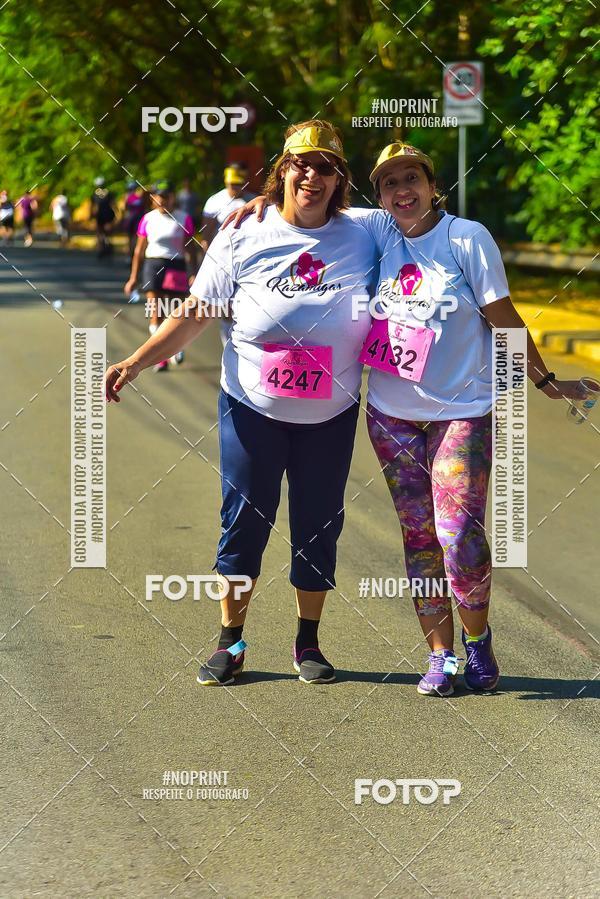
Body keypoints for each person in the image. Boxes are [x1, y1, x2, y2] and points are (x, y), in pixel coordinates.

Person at [225, 141, 588, 698]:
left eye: (411, 179)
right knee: (419, 537)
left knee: (458, 533)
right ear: (379, 195)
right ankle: (439, 656)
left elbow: (504, 318)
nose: (402, 191)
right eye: (390, 183)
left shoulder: (467, 238)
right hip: (391, 415)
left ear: (432, 182)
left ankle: (479, 640)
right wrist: (257, 203)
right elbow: (309, 208)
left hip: (461, 412)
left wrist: (543, 381)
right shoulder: (378, 233)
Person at [105, 121, 378, 686]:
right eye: (301, 164)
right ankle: (231, 643)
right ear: (282, 171)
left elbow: (419, 216)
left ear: (339, 178)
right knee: (244, 521)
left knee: (318, 523)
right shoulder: (242, 234)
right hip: (251, 406)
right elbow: (194, 314)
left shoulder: (366, 232)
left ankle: (309, 643)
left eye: (326, 166)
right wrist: (136, 361)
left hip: (330, 413)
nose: (312, 175)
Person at [124, 180, 198, 371]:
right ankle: (161, 357)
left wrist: (193, 273)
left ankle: (175, 348)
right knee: (155, 313)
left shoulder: (184, 218)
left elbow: (190, 250)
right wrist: (133, 277)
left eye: (166, 196)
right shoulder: (147, 218)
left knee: (174, 312)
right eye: (158, 196)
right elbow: (139, 251)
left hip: (176, 265)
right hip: (153, 264)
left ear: (173, 198)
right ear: (153, 198)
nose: (162, 200)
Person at [201, 163, 257, 348]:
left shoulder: (254, 201)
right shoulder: (214, 202)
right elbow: (206, 236)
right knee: (226, 308)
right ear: (226, 182)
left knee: (243, 306)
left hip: (249, 262)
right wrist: (207, 264)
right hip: (223, 263)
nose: (235, 188)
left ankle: (244, 343)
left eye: (239, 184)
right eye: (232, 184)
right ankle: (228, 345)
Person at [90, 176, 116, 257]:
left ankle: (101, 248)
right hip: (108, 215)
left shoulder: (95, 194)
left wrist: (91, 216)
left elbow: (93, 207)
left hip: (100, 215)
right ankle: (108, 245)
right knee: (107, 232)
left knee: (99, 232)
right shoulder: (108, 193)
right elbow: (113, 205)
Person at [122, 181, 147, 257]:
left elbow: (125, 209)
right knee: (133, 238)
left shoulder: (128, 197)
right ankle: (132, 255)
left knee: (131, 238)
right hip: (135, 220)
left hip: (133, 219)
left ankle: (131, 255)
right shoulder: (139, 197)